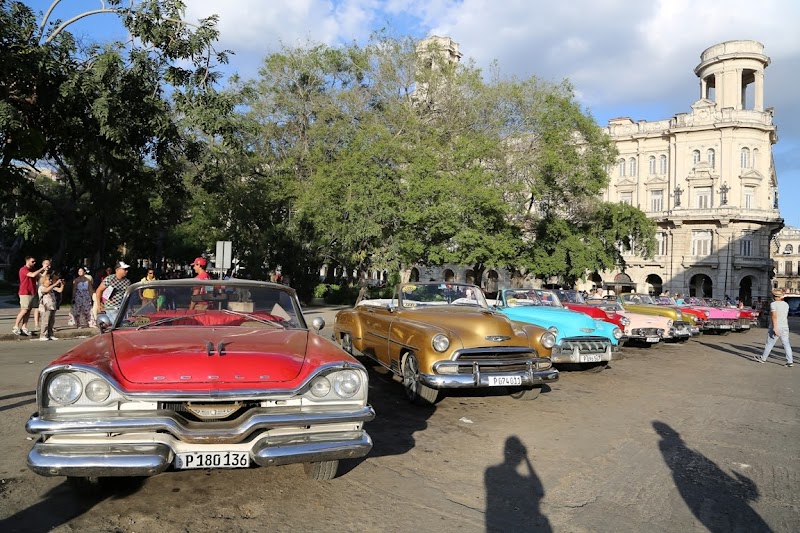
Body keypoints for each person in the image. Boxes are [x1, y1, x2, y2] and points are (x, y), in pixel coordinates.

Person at [755, 289, 793, 367]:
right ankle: (790, 361)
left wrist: (775, 328)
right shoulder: (786, 304)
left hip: (776, 326)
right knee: (786, 344)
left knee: (769, 343)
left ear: (774, 296)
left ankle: (763, 358)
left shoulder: (773, 304)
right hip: (785, 326)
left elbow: (774, 317)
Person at [13, 256, 49, 336]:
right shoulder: (23, 269)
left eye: (35, 261)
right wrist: (42, 268)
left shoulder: (33, 269)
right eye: (32, 261)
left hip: (32, 292)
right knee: (24, 310)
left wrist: (45, 270)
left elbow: (41, 276)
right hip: (24, 292)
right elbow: (32, 275)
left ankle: (24, 327)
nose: (34, 263)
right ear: (27, 261)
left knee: (28, 311)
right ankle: (15, 326)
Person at [36, 272, 64, 341]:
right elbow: (46, 290)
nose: (50, 281)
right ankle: (43, 335)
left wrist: (62, 284)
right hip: (45, 307)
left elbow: (60, 290)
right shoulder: (41, 287)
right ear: (44, 281)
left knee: (51, 322)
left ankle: (50, 334)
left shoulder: (52, 288)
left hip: (52, 306)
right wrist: (55, 284)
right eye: (49, 280)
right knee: (45, 322)